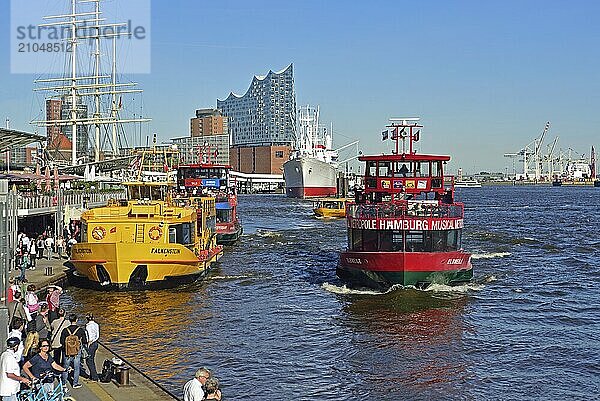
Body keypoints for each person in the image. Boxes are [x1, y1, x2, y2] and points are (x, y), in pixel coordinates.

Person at [60, 314, 87, 389]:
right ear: (76, 320)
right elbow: (85, 341)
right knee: (76, 367)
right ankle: (75, 383)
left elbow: (61, 341)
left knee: (65, 366)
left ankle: (64, 383)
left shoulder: (65, 330)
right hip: (76, 351)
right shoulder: (80, 330)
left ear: (69, 320)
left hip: (67, 351)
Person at [84, 313, 99, 381]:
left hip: (91, 344)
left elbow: (89, 336)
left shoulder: (88, 326)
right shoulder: (96, 325)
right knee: (92, 359)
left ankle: (94, 377)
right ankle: (92, 375)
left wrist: (88, 344)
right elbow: (97, 335)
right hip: (96, 343)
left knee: (89, 361)